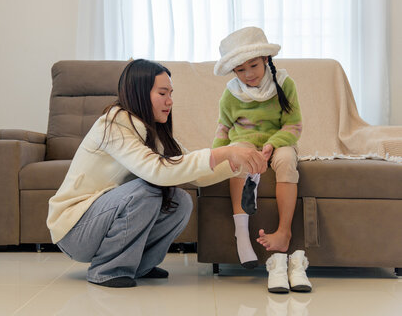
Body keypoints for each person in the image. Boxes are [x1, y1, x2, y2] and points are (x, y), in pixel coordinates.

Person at [47, 59, 267, 288]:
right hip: (75, 231)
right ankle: (108, 269)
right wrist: (224, 152)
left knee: (180, 200)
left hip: (100, 221)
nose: (170, 101)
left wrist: (239, 158)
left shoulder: (153, 131)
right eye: (163, 93)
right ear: (140, 93)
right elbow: (156, 172)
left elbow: (198, 175)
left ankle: (139, 265)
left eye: (170, 93)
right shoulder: (113, 125)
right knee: (148, 189)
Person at [212, 27, 303, 272]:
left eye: (253, 65)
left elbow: (294, 125)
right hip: (243, 142)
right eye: (240, 70)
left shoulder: (285, 84)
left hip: (278, 142)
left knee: (285, 160)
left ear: (265, 59)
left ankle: (284, 232)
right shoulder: (231, 94)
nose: (248, 74)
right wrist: (216, 155)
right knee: (239, 156)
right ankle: (241, 235)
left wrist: (274, 143)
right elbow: (223, 129)